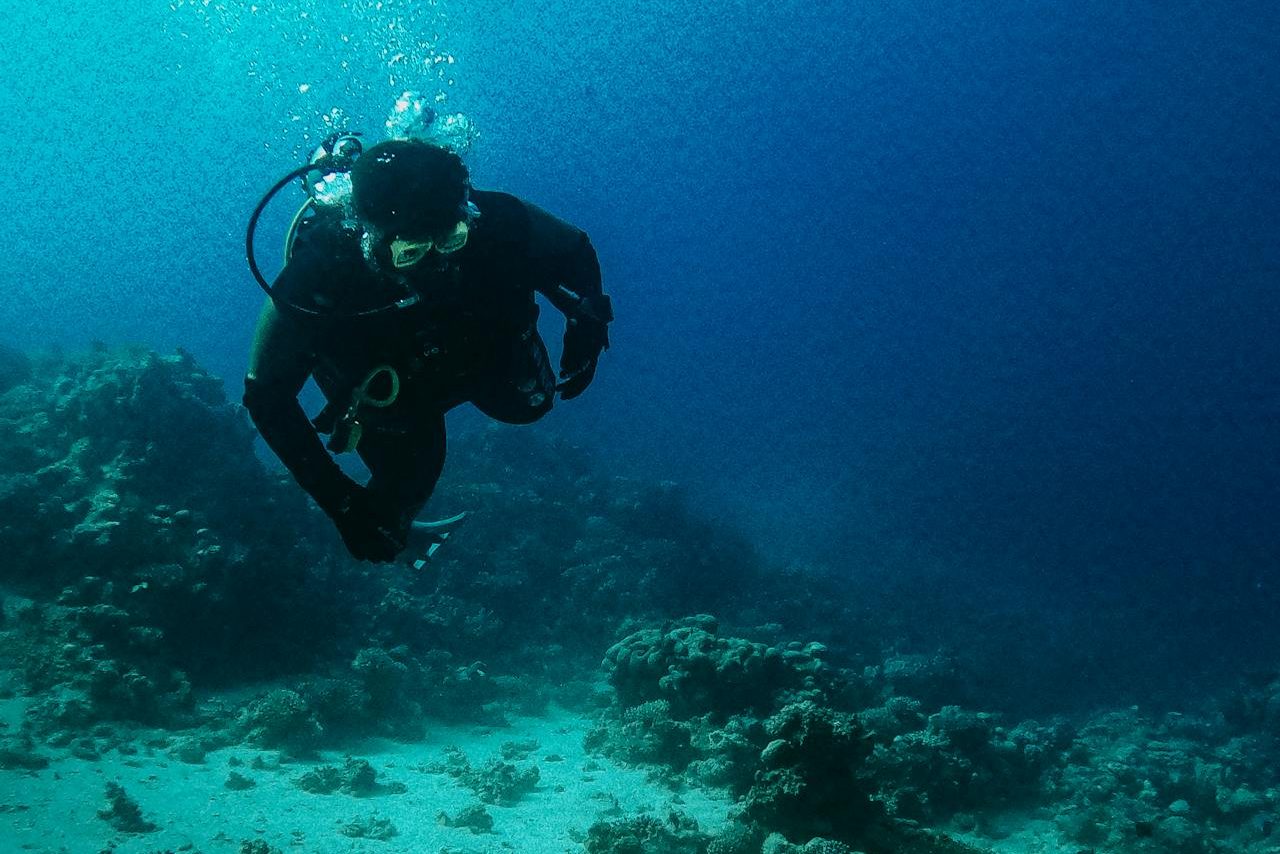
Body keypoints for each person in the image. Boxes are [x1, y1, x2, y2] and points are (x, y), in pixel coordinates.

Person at [243, 139, 612, 563]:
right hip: (393, 386)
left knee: (529, 406)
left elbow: (575, 248)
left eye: (452, 239)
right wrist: (342, 502)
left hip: (482, 349)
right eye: (411, 252)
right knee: (402, 492)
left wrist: (587, 324)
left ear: (464, 214)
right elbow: (265, 395)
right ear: (369, 235)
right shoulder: (318, 275)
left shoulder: (496, 218)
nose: (436, 265)